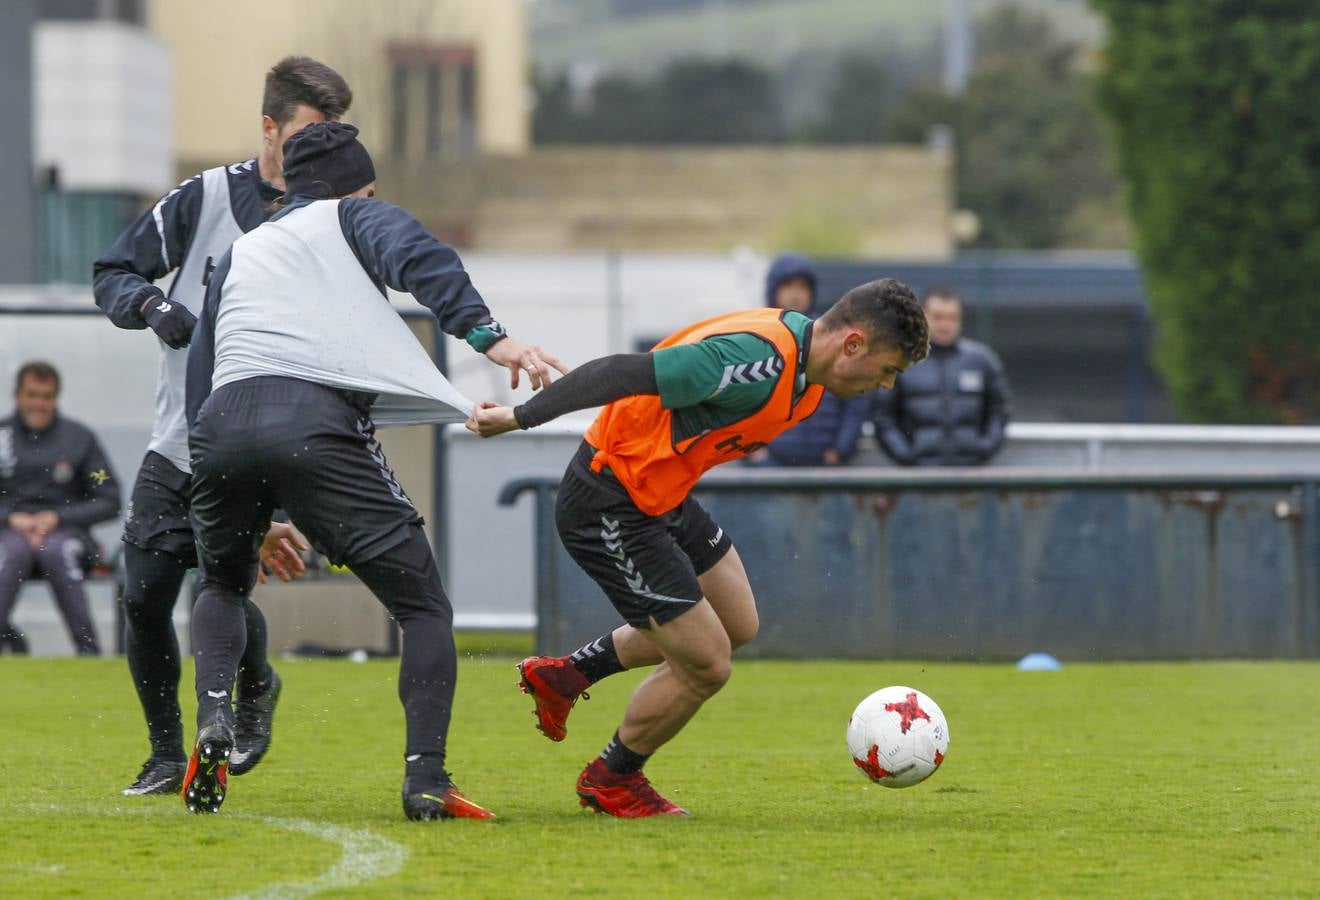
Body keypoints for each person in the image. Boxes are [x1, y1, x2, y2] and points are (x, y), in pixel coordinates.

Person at [183, 122, 565, 820]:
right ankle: (426, 780)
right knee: (422, 606)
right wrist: (490, 336)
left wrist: (244, 500)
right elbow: (421, 257)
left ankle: (214, 717)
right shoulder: (354, 214)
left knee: (221, 584)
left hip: (221, 426)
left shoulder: (241, 253)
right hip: (311, 423)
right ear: (356, 186)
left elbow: (199, 375)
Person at [467, 278, 929, 817]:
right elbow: (618, 372)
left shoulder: (809, 378)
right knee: (708, 665)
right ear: (853, 345)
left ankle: (566, 676)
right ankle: (612, 778)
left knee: (737, 626)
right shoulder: (755, 363)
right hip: (610, 498)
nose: (888, 385)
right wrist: (517, 418)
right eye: (889, 369)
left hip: (662, 495)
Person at [92, 56, 348, 797]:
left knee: (220, 583)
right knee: (142, 593)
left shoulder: (331, 216)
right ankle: (165, 754)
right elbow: (113, 272)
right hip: (179, 438)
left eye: (332, 136)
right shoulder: (202, 196)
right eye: (307, 133)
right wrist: (153, 307)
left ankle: (254, 686)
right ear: (269, 128)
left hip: (266, 440)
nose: (318, 151)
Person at [0, 362, 120, 655]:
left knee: (56, 550)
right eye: (32, 395)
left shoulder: (80, 440)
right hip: (8, 534)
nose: (39, 403)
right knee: (11, 552)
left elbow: (108, 497)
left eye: (47, 396)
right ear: (18, 396)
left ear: (56, 397)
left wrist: (57, 518)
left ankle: (89, 653)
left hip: (68, 535)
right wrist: (11, 519)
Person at [744, 253, 869, 467]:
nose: (796, 294)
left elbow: (855, 402)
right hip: (769, 471)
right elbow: (739, 402)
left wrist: (839, 451)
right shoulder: (754, 341)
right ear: (773, 290)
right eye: (788, 285)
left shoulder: (833, 339)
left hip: (825, 471)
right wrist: (753, 453)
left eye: (802, 286)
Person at [871, 285, 1011, 466]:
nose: (945, 325)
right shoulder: (900, 361)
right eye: (938, 317)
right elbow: (882, 416)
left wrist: (983, 448)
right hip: (919, 478)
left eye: (952, 318)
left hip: (971, 476)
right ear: (922, 316)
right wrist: (906, 455)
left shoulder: (982, 360)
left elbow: (999, 410)